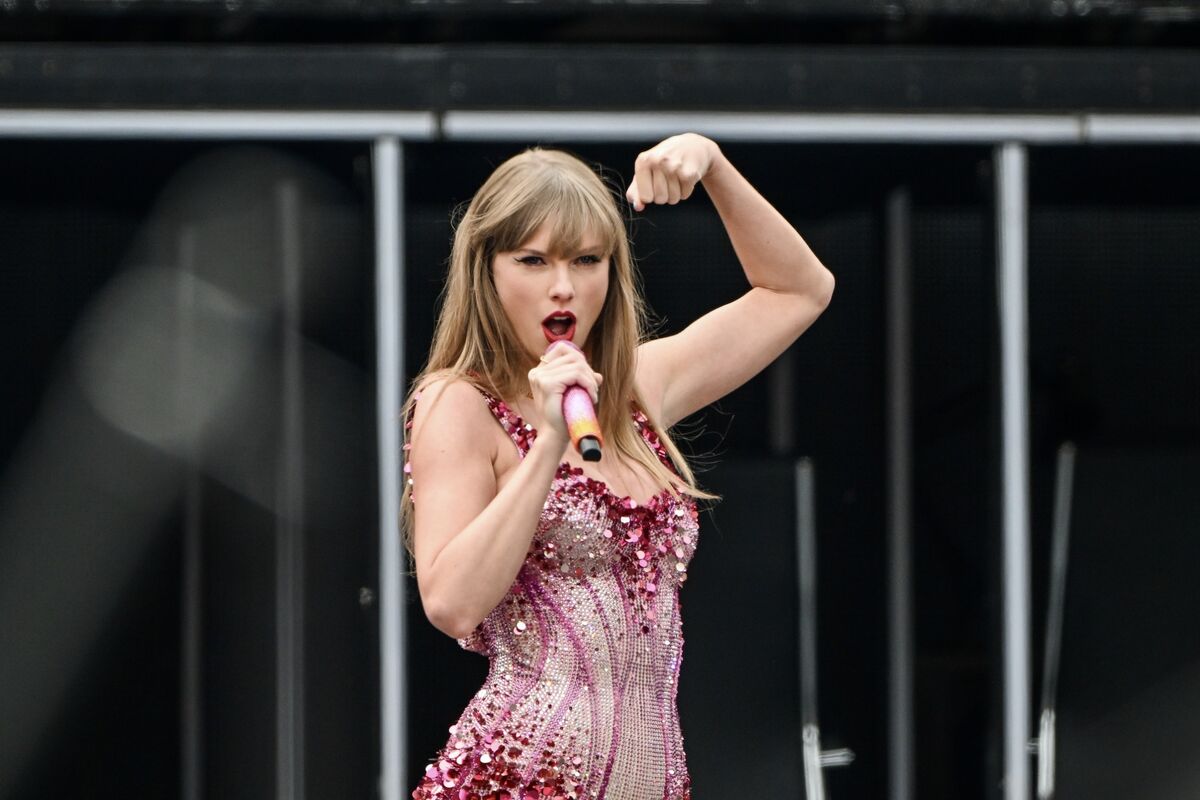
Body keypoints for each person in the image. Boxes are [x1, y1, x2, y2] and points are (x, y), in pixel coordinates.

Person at [404, 133, 834, 800]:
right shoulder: (461, 404)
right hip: (519, 779)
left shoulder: (639, 387)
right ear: (487, 269)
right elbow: (453, 604)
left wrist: (713, 163)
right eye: (533, 260)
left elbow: (800, 291)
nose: (563, 287)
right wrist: (546, 446)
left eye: (586, 259)